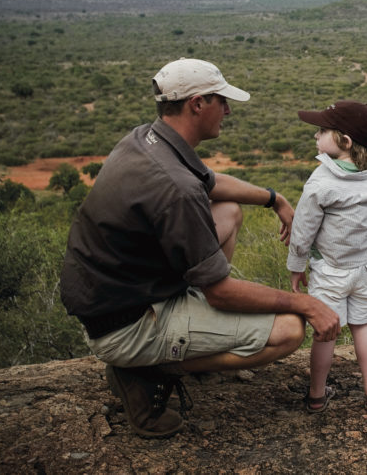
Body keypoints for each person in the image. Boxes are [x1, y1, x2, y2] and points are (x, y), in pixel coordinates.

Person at [59, 58, 341, 439]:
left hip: (115, 296)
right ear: (196, 104)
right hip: (127, 325)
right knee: (289, 330)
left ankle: (167, 344)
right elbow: (221, 292)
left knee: (227, 211)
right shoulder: (176, 188)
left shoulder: (147, 140)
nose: (226, 110)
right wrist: (306, 304)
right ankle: (146, 371)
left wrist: (275, 199)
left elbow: (210, 183)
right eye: (220, 101)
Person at [288, 100, 367, 413]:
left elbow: (303, 232)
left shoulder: (321, 182)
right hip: (364, 268)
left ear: (344, 142)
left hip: (329, 272)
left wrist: (296, 268)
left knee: (326, 333)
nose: (316, 136)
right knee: (363, 327)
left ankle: (317, 395)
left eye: (322, 131)